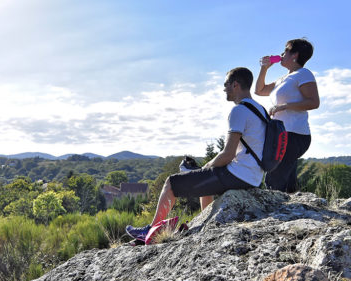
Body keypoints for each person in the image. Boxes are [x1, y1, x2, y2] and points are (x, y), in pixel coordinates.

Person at [125, 67, 267, 243]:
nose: (224, 89)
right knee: (205, 183)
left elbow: (228, 154)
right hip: (254, 176)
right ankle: (205, 222)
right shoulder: (260, 109)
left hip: (238, 174)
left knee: (171, 183)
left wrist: (205, 168)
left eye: (226, 84)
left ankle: (150, 231)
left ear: (235, 85)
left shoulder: (239, 111)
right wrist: (205, 170)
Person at [254, 38, 319, 193]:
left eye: (285, 51)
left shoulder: (303, 74)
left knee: (274, 178)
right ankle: (292, 204)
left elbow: (314, 102)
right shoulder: (283, 79)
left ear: (295, 55)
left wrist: (285, 106)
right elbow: (259, 91)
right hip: (281, 133)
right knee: (286, 180)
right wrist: (264, 68)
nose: (282, 54)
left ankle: (275, 207)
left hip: (294, 135)